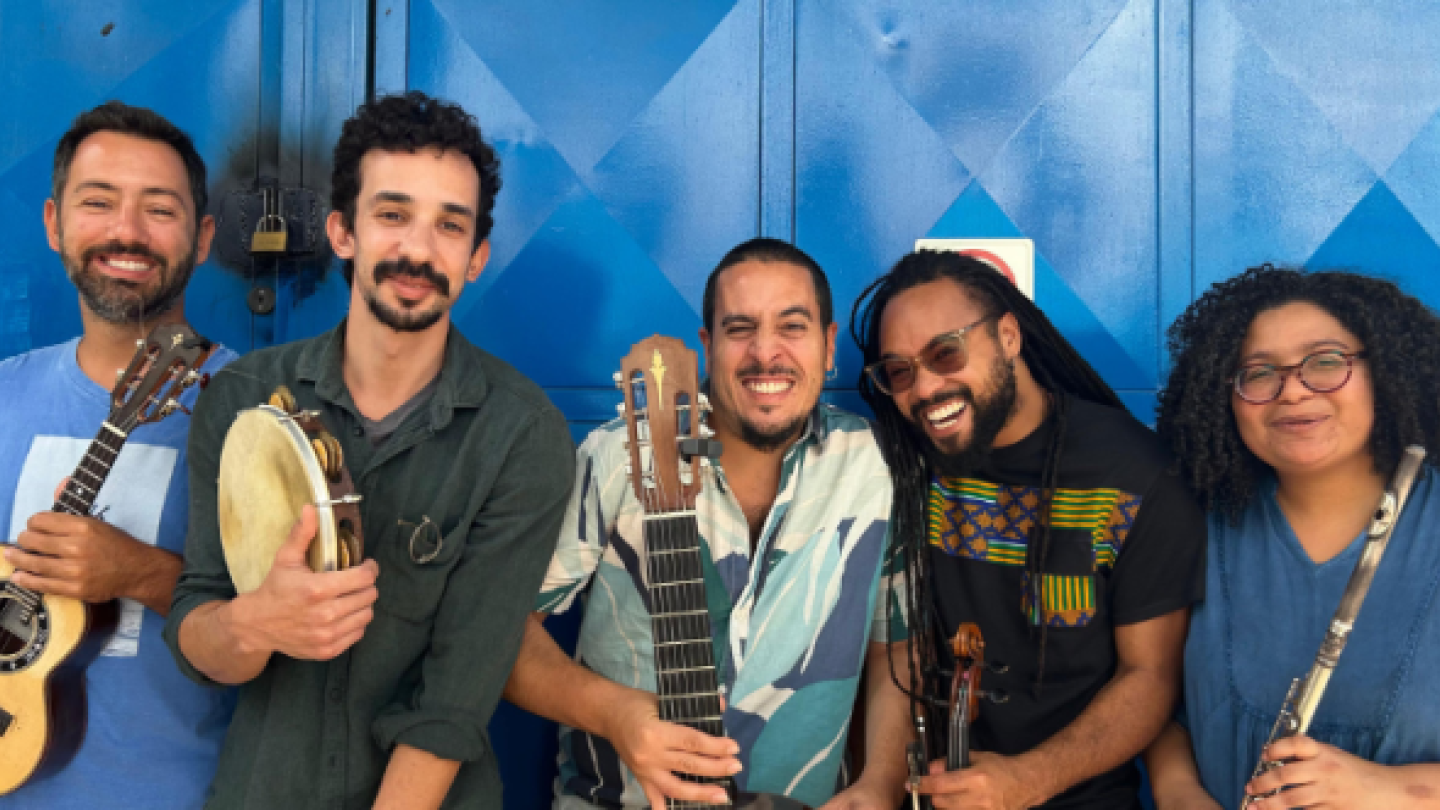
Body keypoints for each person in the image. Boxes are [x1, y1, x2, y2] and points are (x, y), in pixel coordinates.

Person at [163, 91, 574, 808]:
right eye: (392, 214)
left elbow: (454, 701)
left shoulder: (522, 435)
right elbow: (197, 633)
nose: (418, 249)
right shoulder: (240, 397)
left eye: (450, 225)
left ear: (476, 256)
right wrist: (256, 621)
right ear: (342, 232)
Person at [503, 238, 913, 809]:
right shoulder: (620, 457)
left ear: (827, 346)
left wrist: (881, 783)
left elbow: (895, 645)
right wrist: (615, 714)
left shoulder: (875, 468)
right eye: (740, 327)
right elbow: (495, 634)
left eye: (792, 327)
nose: (765, 353)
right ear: (707, 345)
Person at [850, 249, 1206, 809]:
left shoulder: (1134, 477)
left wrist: (1031, 779)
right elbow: (899, 644)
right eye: (900, 371)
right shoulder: (902, 466)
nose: (923, 389)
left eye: (945, 352)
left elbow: (1150, 676)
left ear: (1009, 336)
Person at [0, 101, 236, 809]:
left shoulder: (258, 412)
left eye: (159, 209)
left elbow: (294, 637)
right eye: (98, 202)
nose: (126, 231)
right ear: (54, 224)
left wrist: (138, 571)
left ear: (202, 238)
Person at [1144, 265, 1440, 810]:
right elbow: (1157, 703)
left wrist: (1393, 789)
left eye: (1326, 362)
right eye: (1257, 374)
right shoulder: (1190, 525)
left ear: (1388, 372)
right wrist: (1180, 793)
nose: (1292, 392)